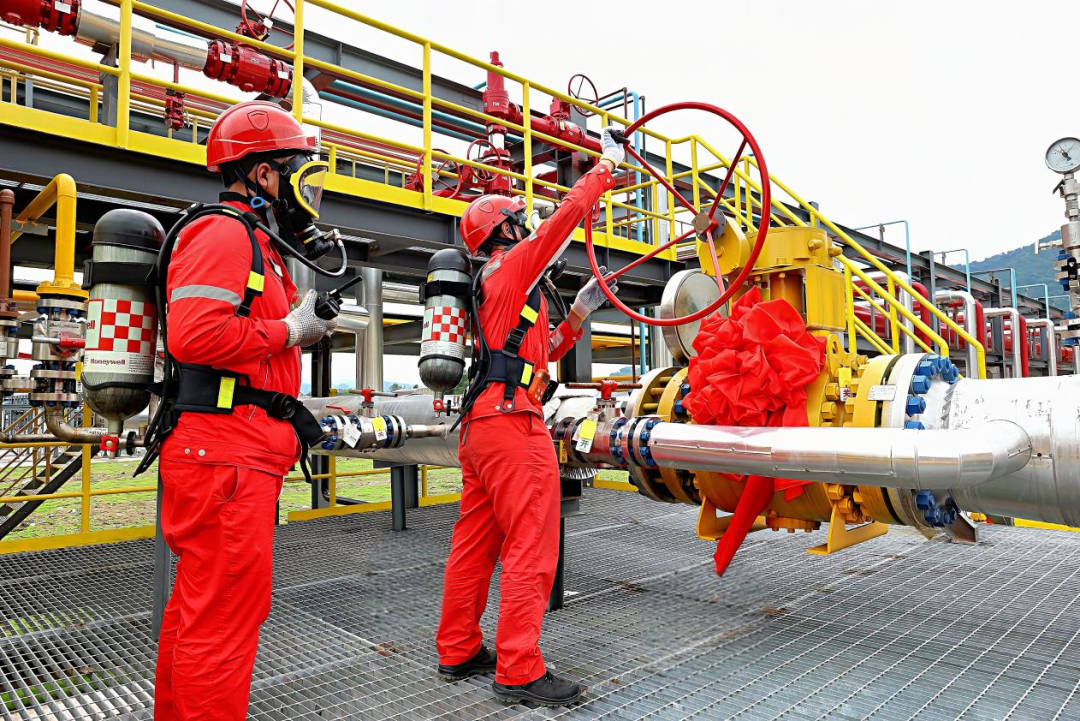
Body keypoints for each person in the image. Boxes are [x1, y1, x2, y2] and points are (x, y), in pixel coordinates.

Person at [153, 101, 338, 720]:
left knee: (199, 614)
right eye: (300, 175)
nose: (306, 194)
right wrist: (289, 332)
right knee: (223, 626)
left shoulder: (254, 240)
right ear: (264, 174)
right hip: (226, 454)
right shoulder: (226, 231)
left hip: (228, 452)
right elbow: (196, 335)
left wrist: (293, 328)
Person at [435, 127, 625, 706]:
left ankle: (458, 648)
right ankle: (519, 668)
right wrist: (603, 170)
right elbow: (560, 223)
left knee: (474, 543)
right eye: (518, 219)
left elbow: (529, 361)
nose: (526, 223)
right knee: (531, 543)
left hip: (484, 426)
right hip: (515, 428)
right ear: (505, 232)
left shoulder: (500, 288)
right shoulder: (512, 265)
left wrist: (578, 317)